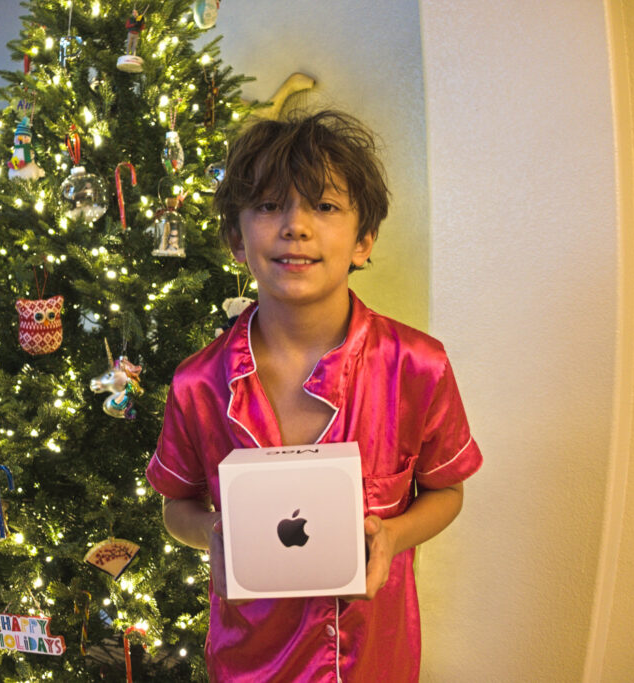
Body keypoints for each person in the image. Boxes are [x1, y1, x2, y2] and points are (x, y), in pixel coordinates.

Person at [145, 110, 483, 681]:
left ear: (363, 240)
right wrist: (212, 535)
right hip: (248, 664)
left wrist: (392, 535)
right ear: (236, 239)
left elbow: (447, 489)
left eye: (324, 206)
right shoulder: (197, 384)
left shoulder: (418, 366)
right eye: (268, 205)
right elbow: (175, 505)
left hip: (373, 661)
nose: (295, 226)